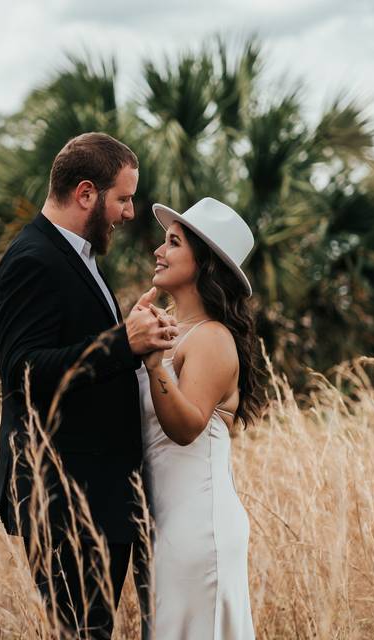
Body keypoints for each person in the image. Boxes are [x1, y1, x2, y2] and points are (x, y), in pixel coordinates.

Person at [0, 132, 176, 638]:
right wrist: (121, 342)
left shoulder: (77, 256)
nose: (130, 213)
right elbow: (22, 373)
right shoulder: (33, 260)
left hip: (100, 495)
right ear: (86, 193)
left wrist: (129, 338)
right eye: (123, 198)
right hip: (65, 499)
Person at [137, 197, 265, 638]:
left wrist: (155, 365)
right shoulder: (168, 327)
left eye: (173, 242)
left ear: (204, 264)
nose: (159, 251)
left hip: (198, 524)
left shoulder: (212, 338)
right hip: (163, 520)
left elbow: (188, 427)